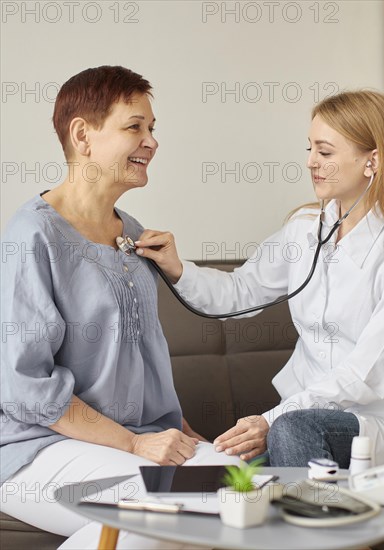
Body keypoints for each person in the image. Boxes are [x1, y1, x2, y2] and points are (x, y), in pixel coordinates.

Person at [0, 66, 239, 549]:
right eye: (135, 127)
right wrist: (133, 443)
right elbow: (24, 388)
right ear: (82, 135)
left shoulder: (131, 231)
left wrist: (178, 431)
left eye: (152, 129)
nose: (151, 141)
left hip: (135, 438)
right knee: (166, 509)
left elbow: (137, 358)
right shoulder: (32, 237)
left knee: (240, 483)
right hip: (37, 447)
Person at [135, 90, 384, 475]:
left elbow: (365, 375)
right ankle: (329, 522)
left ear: (372, 160)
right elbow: (239, 293)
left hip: (380, 422)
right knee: (223, 471)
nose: (311, 163)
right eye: (310, 149)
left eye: (325, 152)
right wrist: (177, 268)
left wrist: (272, 419)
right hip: (298, 424)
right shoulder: (305, 229)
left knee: (290, 429)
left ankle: (319, 526)